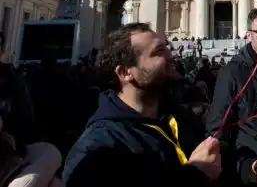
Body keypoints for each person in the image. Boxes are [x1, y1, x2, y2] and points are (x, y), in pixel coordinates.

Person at [63, 23, 221, 187]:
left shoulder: (181, 118)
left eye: (167, 47)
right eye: (159, 51)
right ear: (125, 73)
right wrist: (195, 176)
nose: (172, 55)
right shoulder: (98, 148)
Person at [206, 6, 257, 185]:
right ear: (249, 35)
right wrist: (248, 168)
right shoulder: (232, 73)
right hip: (254, 173)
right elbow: (218, 131)